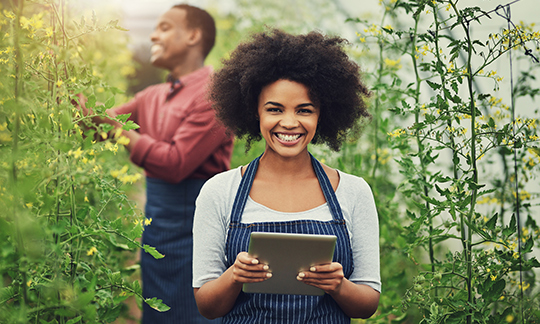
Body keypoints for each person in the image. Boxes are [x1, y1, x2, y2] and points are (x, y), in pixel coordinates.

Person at [192, 29, 380, 323]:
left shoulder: (354, 192)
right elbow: (206, 305)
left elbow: (367, 305)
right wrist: (234, 276)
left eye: (304, 110)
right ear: (254, 111)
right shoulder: (219, 191)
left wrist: (338, 286)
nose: (290, 123)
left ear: (322, 115)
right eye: (274, 109)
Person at [77, 4, 232, 323]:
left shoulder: (216, 95)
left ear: (193, 35)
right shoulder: (152, 95)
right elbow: (100, 125)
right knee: (158, 311)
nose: (153, 34)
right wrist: (71, 91)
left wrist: (118, 131)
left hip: (198, 232)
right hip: (158, 230)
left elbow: (175, 164)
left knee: (196, 311)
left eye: (164, 27)